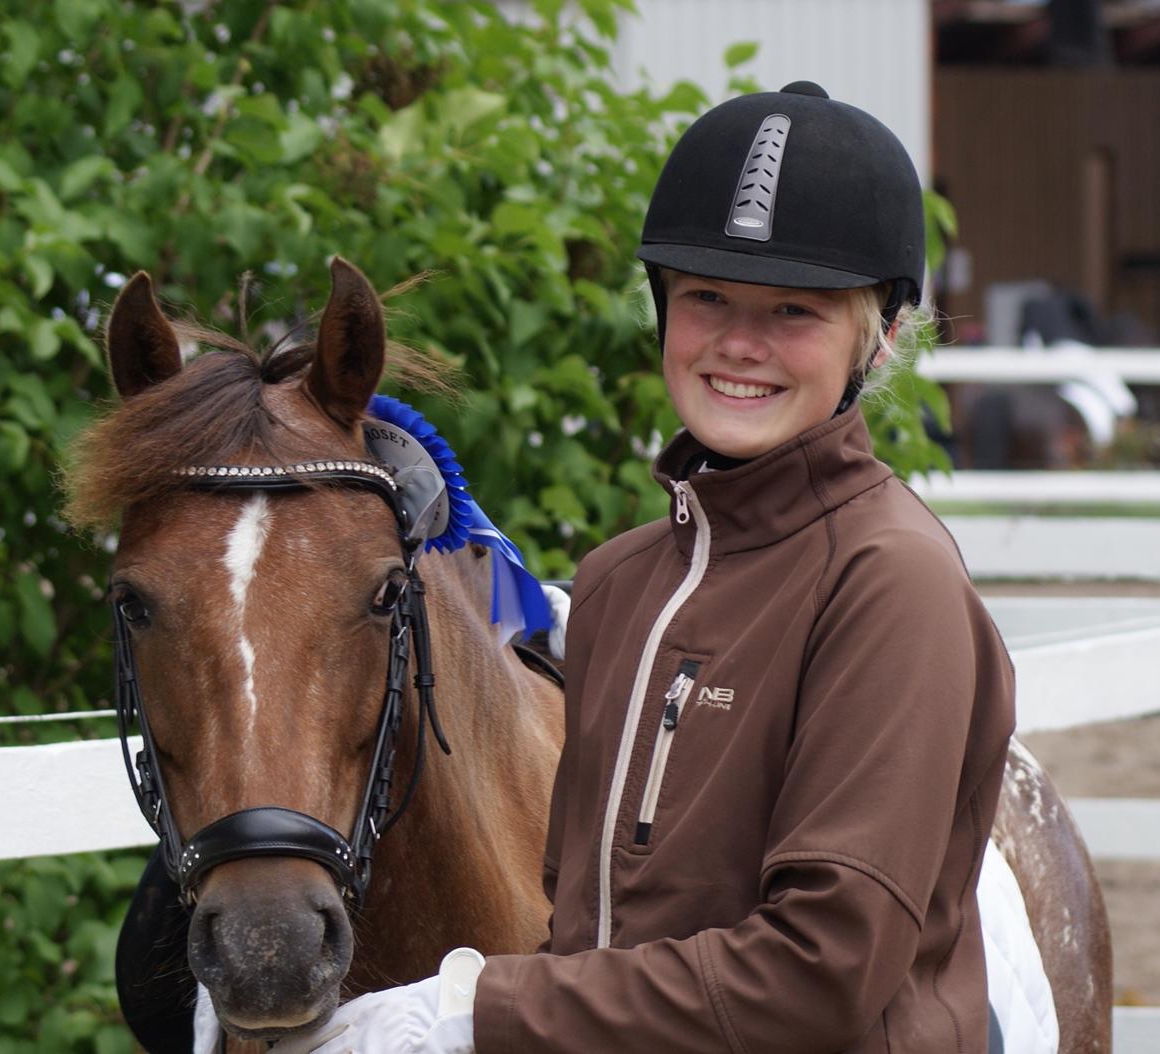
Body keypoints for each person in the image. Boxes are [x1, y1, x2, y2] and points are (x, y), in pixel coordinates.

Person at [262, 82, 1018, 1054]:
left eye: (795, 308)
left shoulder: (891, 582)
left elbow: (819, 972)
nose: (740, 343)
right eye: (707, 296)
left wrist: (472, 1012)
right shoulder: (621, 582)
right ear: (662, 304)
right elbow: (590, 934)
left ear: (880, 341)